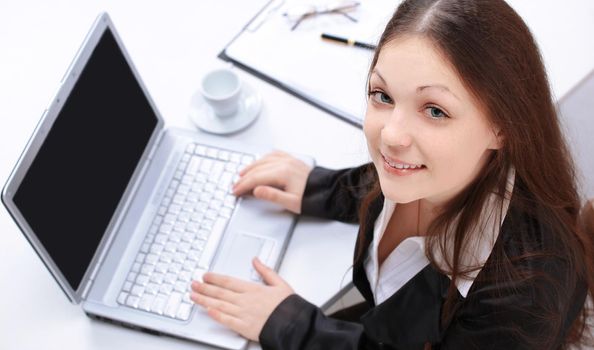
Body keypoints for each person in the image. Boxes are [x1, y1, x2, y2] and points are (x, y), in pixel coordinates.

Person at [190, 0, 594, 348]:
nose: (391, 136)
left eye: (434, 110)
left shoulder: (526, 297)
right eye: (382, 95)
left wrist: (296, 328)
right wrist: (319, 186)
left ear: (502, 126)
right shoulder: (427, 169)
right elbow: (380, 178)